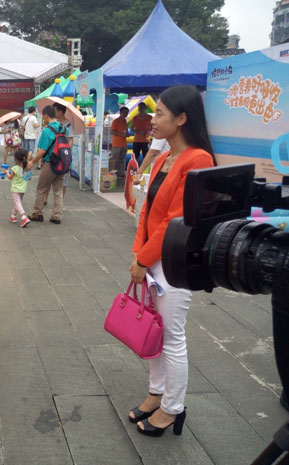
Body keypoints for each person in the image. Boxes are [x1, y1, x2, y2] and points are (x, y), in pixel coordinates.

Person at [128, 85, 216, 437]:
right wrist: (138, 253)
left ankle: (172, 408)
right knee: (153, 329)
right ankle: (156, 393)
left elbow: (174, 221)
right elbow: (147, 211)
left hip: (175, 263)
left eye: (160, 114)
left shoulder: (198, 160)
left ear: (181, 119)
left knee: (172, 337)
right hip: (152, 259)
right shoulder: (163, 158)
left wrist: (144, 258)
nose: (152, 120)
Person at [27, 105, 67, 225]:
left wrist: (32, 162)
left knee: (41, 188)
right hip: (62, 163)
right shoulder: (64, 128)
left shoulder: (47, 130)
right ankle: (56, 216)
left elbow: (42, 150)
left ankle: (37, 213)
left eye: (43, 116)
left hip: (50, 163)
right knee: (58, 190)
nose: (43, 118)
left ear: (46, 115)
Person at [7, 148, 30, 228]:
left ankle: (24, 217)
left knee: (17, 203)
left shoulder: (15, 168)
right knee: (17, 203)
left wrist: (6, 172)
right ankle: (13, 216)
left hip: (15, 189)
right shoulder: (26, 168)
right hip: (23, 189)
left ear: (16, 159)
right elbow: (29, 178)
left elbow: (10, 177)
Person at [110, 107, 129, 176]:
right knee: (115, 159)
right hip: (117, 144)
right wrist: (121, 134)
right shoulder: (116, 121)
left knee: (122, 159)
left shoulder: (125, 121)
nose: (125, 114)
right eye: (124, 112)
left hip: (123, 143)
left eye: (127, 113)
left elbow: (126, 131)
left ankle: (120, 172)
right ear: (121, 113)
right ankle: (113, 172)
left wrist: (126, 134)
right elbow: (112, 131)